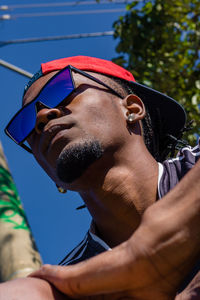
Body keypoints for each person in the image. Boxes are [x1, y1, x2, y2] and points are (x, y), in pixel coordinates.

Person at [1, 56, 200, 299]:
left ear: (132, 108)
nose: (42, 117)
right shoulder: (71, 281)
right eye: (26, 124)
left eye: (61, 89)